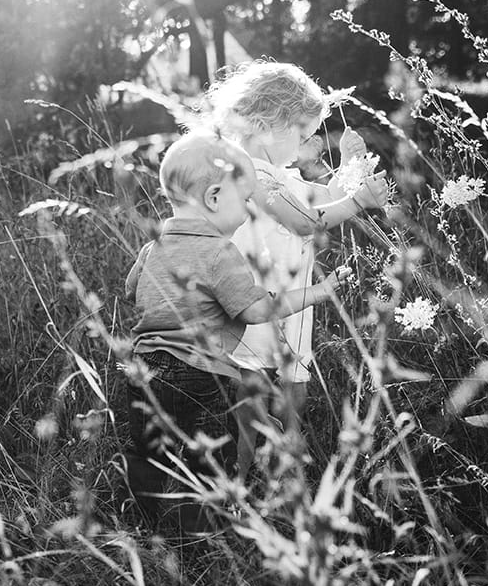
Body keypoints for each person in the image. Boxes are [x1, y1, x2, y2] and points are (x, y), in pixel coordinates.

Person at [119, 130, 349, 530]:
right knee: (209, 459)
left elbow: (130, 288)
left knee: (149, 452)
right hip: (199, 373)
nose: (246, 210)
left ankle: (149, 520)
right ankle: (200, 537)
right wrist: (316, 293)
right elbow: (257, 310)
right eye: (243, 200)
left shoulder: (153, 245)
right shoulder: (221, 251)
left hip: (143, 368)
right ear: (213, 198)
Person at [206, 60, 389, 427]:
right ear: (264, 125)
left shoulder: (280, 175)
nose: (309, 144)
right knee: (250, 385)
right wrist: (359, 202)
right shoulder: (250, 174)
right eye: (302, 134)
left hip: (291, 297)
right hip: (255, 299)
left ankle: (286, 463)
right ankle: (245, 468)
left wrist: (350, 164)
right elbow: (305, 221)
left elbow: (326, 198)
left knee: (294, 381)